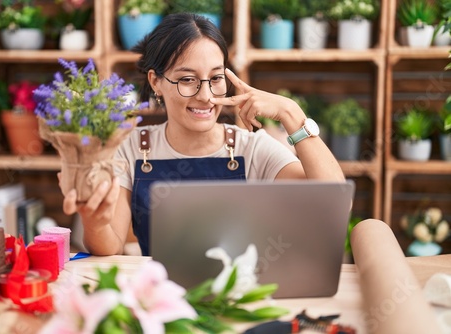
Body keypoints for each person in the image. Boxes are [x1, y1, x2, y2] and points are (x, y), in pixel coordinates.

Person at [62, 13, 345, 256]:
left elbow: (332, 204)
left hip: (240, 297)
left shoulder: (253, 148)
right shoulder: (133, 147)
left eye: (216, 78)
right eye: (187, 79)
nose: (206, 96)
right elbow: (109, 246)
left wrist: (292, 114)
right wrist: (95, 223)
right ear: (155, 81)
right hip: (163, 301)